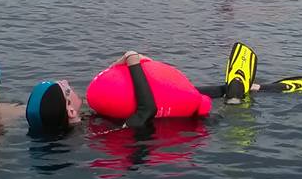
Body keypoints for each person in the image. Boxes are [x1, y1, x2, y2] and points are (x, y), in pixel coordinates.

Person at [25, 45, 263, 136]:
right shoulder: (101, 134)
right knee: (231, 100)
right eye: (65, 89)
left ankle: (239, 89)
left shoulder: (89, 117)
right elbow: (145, 111)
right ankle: (239, 98)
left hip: (167, 111)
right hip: (195, 124)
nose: (68, 82)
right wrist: (134, 61)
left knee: (200, 89)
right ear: (69, 110)